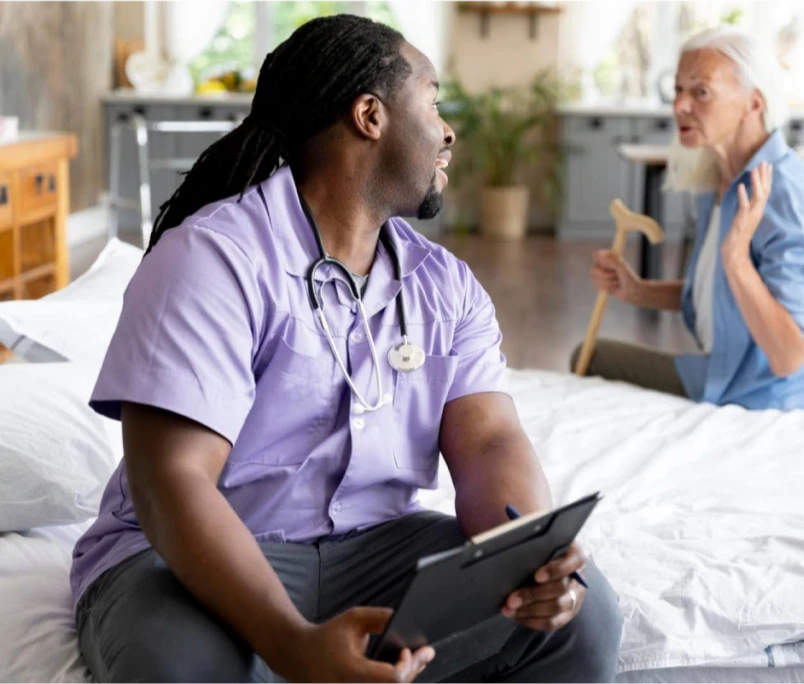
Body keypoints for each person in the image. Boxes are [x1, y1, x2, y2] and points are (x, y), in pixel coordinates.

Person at [71, 15, 622, 684]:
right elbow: (173, 485)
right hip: (196, 552)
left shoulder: (443, 285)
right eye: (433, 99)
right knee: (191, 672)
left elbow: (489, 443)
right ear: (371, 115)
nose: (449, 130)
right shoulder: (213, 259)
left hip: (374, 548)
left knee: (577, 625)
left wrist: (528, 557)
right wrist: (291, 644)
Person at [574, 27, 804, 410]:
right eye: (677, 90)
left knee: (590, 359)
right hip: (728, 376)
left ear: (754, 104)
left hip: (778, 395)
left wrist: (736, 259)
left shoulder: (783, 191)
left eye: (700, 92)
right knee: (588, 357)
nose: (679, 107)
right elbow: (718, 295)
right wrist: (638, 290)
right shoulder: (719, 181)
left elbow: (789, 357)